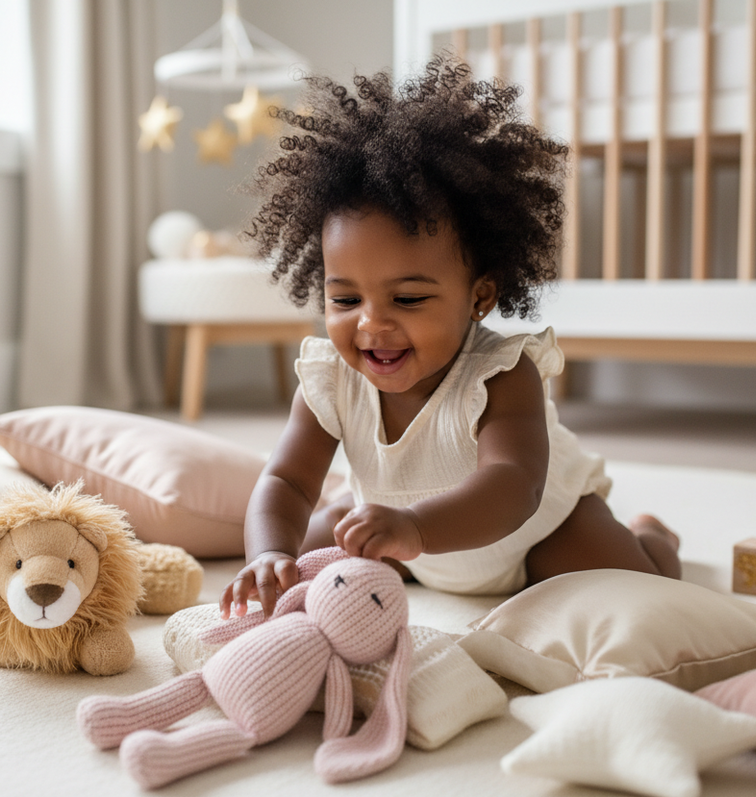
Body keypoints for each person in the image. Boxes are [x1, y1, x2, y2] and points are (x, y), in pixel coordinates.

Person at [221, 56, 680, 620]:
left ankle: (656, 537)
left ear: (480, 297)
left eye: (408, 299)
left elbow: (513, 484)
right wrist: (269, 552)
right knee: (316, 549)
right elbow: (287, 480)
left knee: (640, 592)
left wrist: (416, 525)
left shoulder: (502, 375)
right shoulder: (331, 380)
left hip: (536, 535)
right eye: (345, 299)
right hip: (403, 542)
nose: (371, 324)